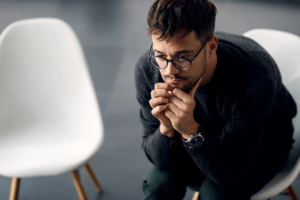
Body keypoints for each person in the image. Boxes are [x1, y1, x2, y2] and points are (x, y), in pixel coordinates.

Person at [134, 0, 297, 199]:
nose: (169, 71)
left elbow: (227, 175)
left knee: (215, 194)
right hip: (199, 130)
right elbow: (160, 162)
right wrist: (166, 129)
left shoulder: (254, 78)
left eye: (183, 57)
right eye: (160, 55)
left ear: (211, 46)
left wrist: (189, 131)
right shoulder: (148, 69)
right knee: (159, 185)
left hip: (263, 140)